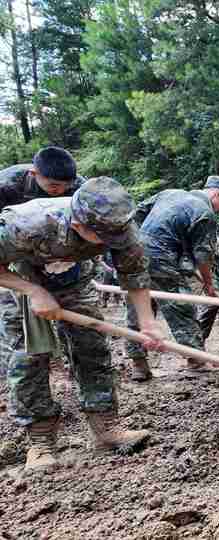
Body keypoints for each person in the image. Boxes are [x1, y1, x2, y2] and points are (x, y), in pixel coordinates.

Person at [2, 177, 165, 471]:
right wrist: (34, 291)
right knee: (28, 358)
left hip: (74, 280)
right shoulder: (26, 224)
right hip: (19, 280)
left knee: (92, 347)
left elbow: (134, 273)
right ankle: (40, 443)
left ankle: (105, 430)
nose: (112, 242)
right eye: (103, 237)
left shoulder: (118, 225)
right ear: (79, 225)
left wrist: (147, 322)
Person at [124, 175, 219, 381]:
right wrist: (209, 284)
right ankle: (196, 361)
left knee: (138, 307)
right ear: (218, 194)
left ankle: (138, 365)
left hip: (131, 254)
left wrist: (136, 242)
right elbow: (203, 256)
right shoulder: (205, 213)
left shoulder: (170, 193)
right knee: (180, 307)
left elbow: (137, 213)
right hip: (161, 258)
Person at [0, 147, 85, 377]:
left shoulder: (78, 187)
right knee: (21, 331)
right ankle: (33, 408)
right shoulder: (6, 186)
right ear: (33, 173)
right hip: (12, 256)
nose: (61, 193)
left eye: (66, 186)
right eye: (54, 187)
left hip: (63, 255)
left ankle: (79, 373)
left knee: (82, 324)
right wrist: (31, 289)